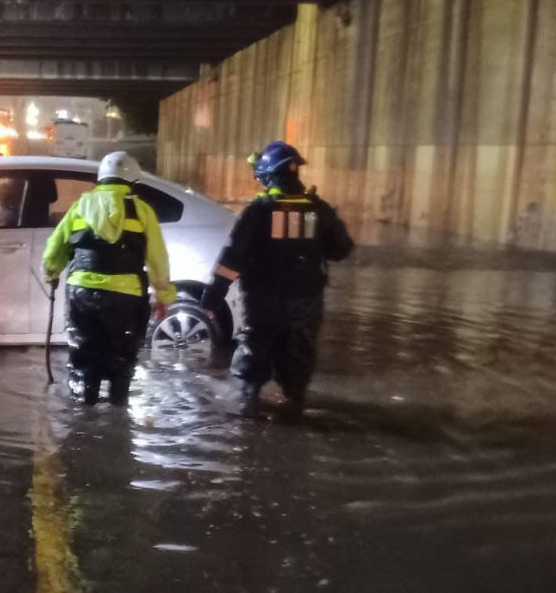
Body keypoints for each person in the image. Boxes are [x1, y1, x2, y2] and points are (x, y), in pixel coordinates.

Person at [200, 141, 354, 419]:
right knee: (300, 348)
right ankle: (294, 406)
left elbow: (234, 255)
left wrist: (214, 293)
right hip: (306, 298)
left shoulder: (258, 210)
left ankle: (249, 405)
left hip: (262, 297)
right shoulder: (319, 209)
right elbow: (342, 249)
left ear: (268, 175)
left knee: (255, 343)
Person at [42, 151, 176, 406]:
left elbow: (55, 248)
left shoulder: (80, 206)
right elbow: (158, 258)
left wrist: (51, 271)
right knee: (122, 359)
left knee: (83, 355)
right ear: (132, 181)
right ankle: (118, 414)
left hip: (81, 293)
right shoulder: (141, 210)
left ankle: (83, 419)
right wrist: (163, 296)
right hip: (126, 298)